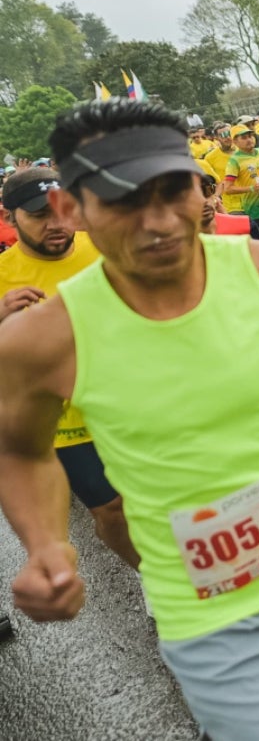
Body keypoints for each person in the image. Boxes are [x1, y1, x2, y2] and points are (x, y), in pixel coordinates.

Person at [0, 99, 259, 741]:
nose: (158, 223)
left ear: (200, 185)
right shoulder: (42, 339)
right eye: (125, 202)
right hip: (208, 603)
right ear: (72, 209)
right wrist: (45, 544)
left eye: (173, 190)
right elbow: (20, 451)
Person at [0, 167, 138, 569]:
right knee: (110, 509)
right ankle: (156, 577)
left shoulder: (103, 246)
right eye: (40, 215)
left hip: (129, 393)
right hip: (62, 418)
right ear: (9, 218)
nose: (56, 224)